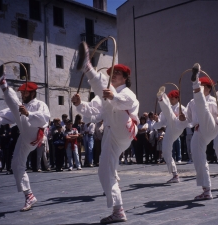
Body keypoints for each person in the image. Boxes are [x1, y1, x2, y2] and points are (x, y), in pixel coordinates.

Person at [71, 41, 139, 224]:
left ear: (125, 78)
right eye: (112, 73)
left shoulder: (127, 93)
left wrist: (113, 96)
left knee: (108, 97)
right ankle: (118, 209)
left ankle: (88, 69)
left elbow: (127, 103)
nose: (114, 74)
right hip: (112, 133)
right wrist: (79, 104)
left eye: (118, 73)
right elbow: (93, 112)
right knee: (104, 171)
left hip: (124, 127)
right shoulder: (105, 96)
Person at [0, 66, 50, 211]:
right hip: (25, 137)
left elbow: (45, 119)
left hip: (34, 134)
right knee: (16, 165)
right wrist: (23, 112)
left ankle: (3, 84)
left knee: (16, 107)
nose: (23, 94)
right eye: (21, 92)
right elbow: (2, 117)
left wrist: (28, 114)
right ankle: (29, 196)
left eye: (25, 92)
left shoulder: (40, 104)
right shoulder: (21, 106)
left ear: (32, 93)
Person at [187, 63, 218, 200]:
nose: (203, 89)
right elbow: (188, 118)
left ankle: (194, 81)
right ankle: (206, 190)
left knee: (204, 109)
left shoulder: (214, 102)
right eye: (200, 86)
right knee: (198, 158)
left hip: (211, 127)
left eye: (203, 86)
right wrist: (183, 118)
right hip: (198, 131)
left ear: (208, 88)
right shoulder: (191, 102)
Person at [154, 89, 188, 183]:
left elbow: (188, 120)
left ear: (177, 98)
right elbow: (162, 123)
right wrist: (157, 120)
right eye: (170, 99)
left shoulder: (182, 108)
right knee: (165, 151)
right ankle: (175, 174)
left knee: (169, 112)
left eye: (172, 98)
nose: (171, 100)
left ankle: (161, 98)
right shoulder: (167, 110)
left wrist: (183, 118)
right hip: (170, 129)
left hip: (177, 126)